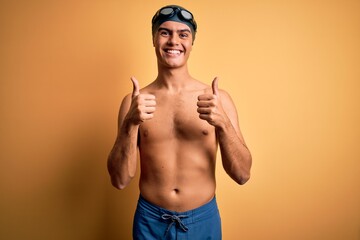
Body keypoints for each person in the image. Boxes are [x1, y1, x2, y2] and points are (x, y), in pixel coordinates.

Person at [107, 5, 252, 240]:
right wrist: (130, 124)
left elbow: (242, 174)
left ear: (191, 43)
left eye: (183, 34)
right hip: (150, 222)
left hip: (203, 220)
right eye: (165, 32)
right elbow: (120, 180)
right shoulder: (134, 102)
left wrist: (223, 124)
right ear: (154, 39)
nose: (173, 41)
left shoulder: (217, 99)